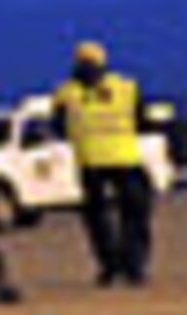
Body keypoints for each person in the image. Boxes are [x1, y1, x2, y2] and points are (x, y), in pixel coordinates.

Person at [53, 38, 157, 287]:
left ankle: (109, 267)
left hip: (90, 163)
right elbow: (142, 120)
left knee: (98, 218)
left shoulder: (65, 93)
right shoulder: (127, 87)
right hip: (126, 159)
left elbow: (58, 128)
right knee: (135, 214)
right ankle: (134, 267)